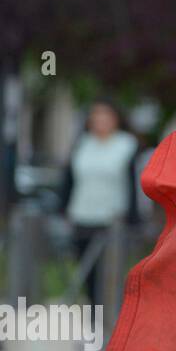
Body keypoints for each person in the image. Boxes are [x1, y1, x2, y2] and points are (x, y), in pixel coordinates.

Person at [59, 99, 139, 307]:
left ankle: (110, 323)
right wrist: (62, 209)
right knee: (87, 276)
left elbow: (133, 185)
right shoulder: (82, 144)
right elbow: (69, 180)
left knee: (110, 276)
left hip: (112, 221)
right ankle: (95, 321)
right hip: (83, 216)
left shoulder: (127, 146)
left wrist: (133, 218)